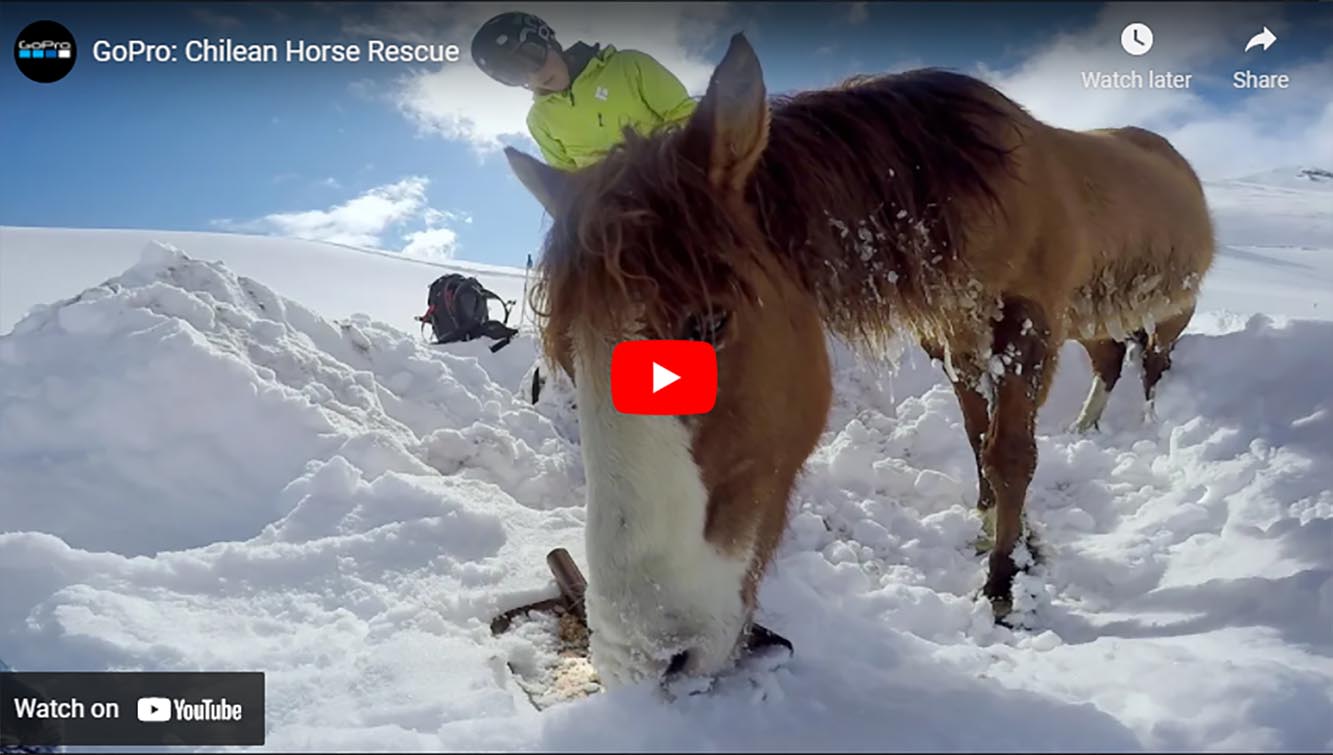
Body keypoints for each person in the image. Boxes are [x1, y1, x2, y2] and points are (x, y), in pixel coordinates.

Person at [470, 11, 698, 171]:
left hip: (676, 180)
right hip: (616, 216)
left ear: (549, 41)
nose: (535, 76)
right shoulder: (540, 121)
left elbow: (686, 115)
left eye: (531, 57)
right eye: (515, 75)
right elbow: (566, 184)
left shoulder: (628, 66)